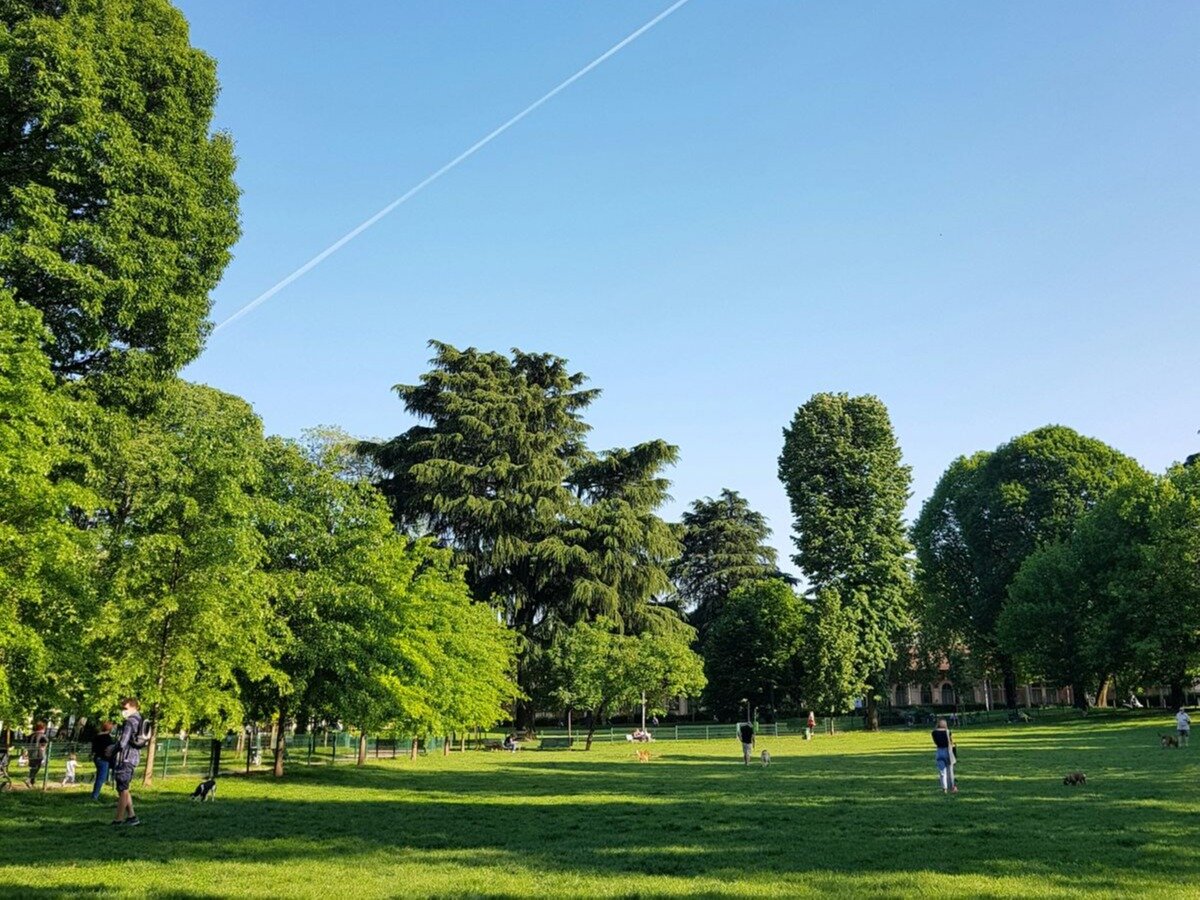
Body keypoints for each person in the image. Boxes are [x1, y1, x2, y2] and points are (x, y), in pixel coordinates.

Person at [109, 698, 144, 826]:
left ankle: (118, 819)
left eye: (125, 709)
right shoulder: (140, 720)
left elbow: (123, 742)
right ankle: (132, 817)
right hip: (134, 757)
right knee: (124, 788)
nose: (123, 711)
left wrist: (111, 750)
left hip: (125, 757)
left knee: (122, 789)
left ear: (133, 708)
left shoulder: (129, 722)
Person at [931, 718, 957, 794]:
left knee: (942, 771)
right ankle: (952, 787)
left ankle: (944, 788)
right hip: (947, 751)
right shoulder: (948, 732)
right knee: (950, 771)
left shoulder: (934, 732)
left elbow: (936, 742)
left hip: (939, 751)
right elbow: (951, 742)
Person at [91, 721, 115, 801]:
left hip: (97, 758)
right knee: (101, 778)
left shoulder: (96, 737)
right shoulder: (107, 738)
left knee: (99, 776)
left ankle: (95, 794)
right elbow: (110, 749)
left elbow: (94, 748)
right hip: (103, 759)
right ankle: (95, 796)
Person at [25, 723, 48, 788]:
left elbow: (26, 744)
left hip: (31, 754)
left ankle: (32, 782)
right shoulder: (42, 735)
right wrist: (43, 749)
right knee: (36, 767)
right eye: (44, 728)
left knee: (33, 767)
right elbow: (44, 744)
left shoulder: (30, 735)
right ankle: (29, 779)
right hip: (38, 754)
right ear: (42, 728)